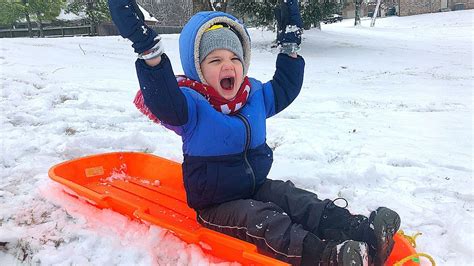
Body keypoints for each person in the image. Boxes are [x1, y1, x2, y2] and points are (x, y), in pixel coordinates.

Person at [108, 1, 400, 265]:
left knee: (295, 198)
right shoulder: (190, 107)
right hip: (216, 206)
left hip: (255, 186)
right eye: (215, 60)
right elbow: (162, 98)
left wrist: (290, 47)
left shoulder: (254, 96)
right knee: (265, 221)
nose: (228, 65)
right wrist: (148, 49)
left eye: (235, 59)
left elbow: (285, 86)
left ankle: (361, 230)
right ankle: (326, 257)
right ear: (197, 69)